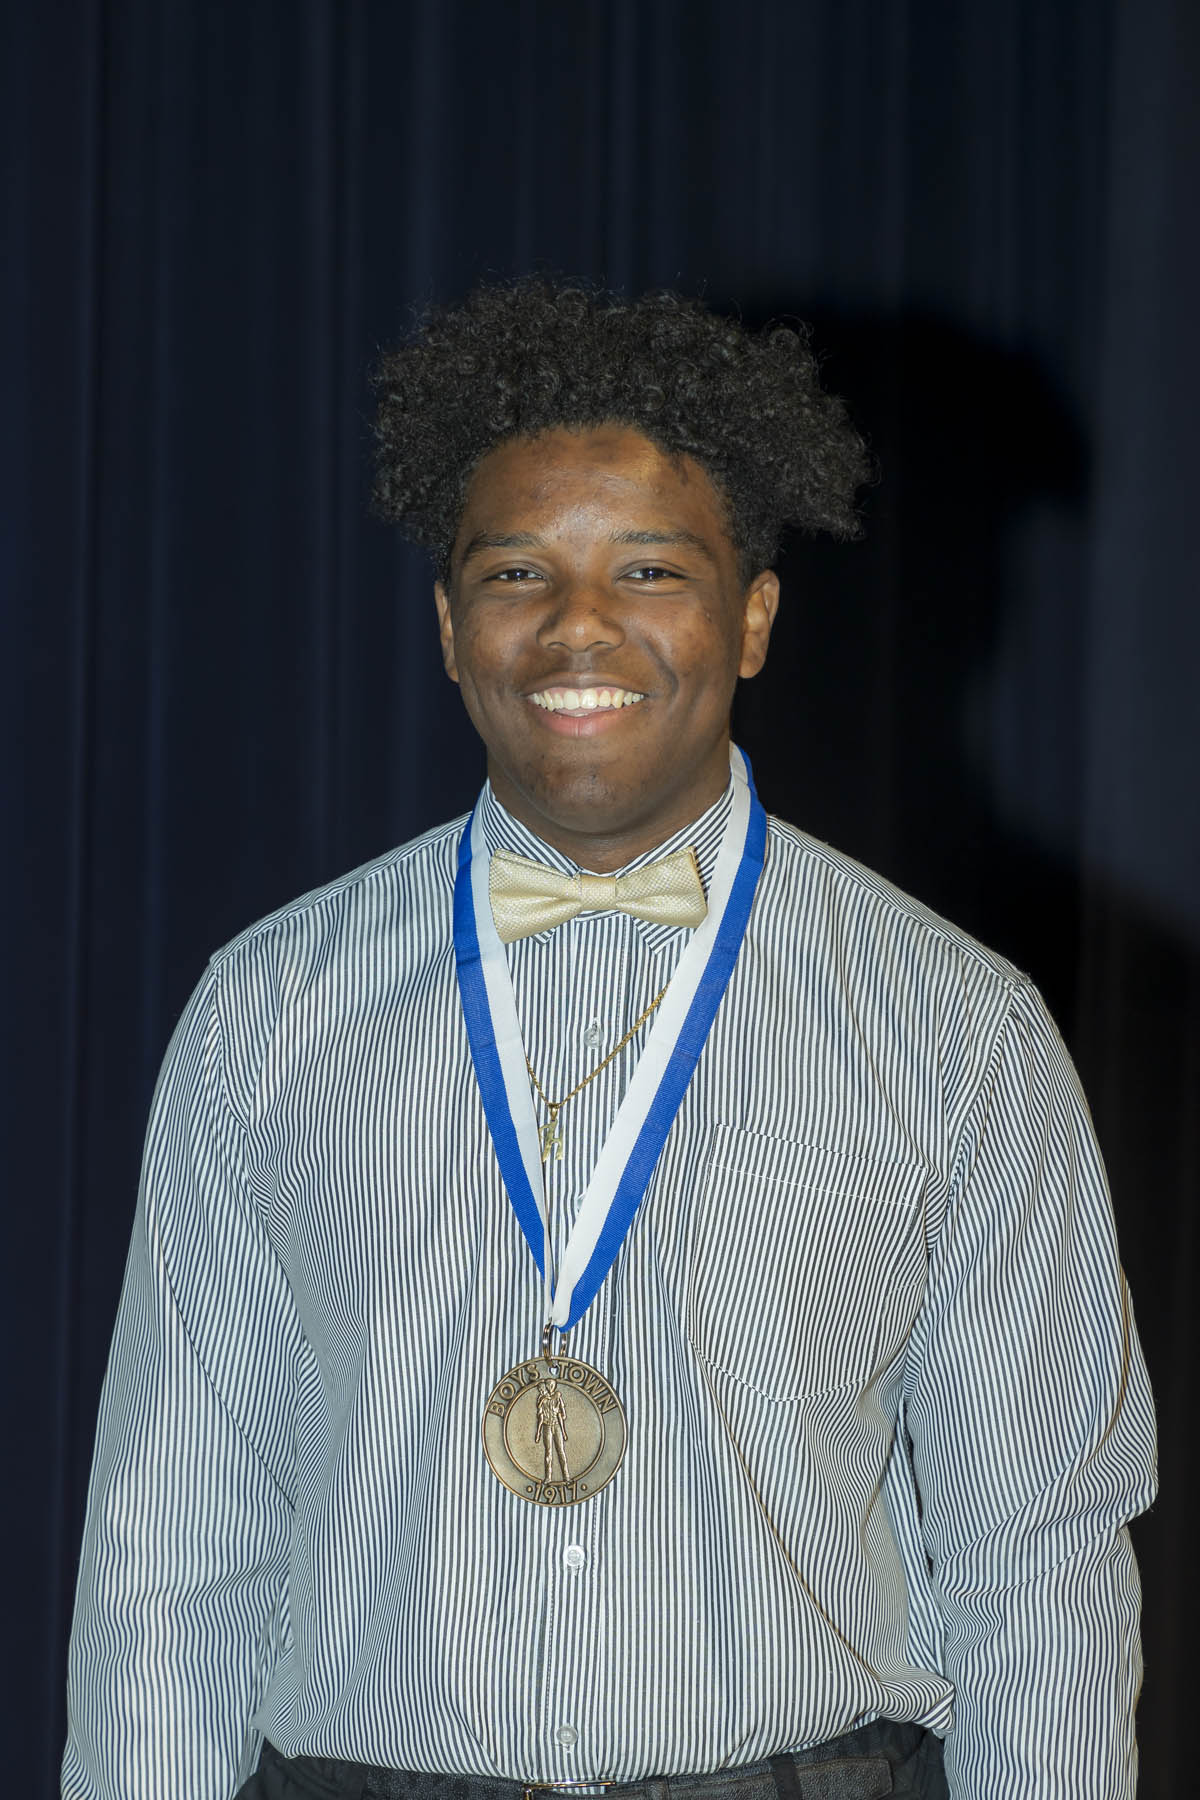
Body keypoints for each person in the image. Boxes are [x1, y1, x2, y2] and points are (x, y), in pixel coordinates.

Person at [63, 279, 1156, 1800]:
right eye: (518, 572)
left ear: (753, 617)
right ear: (450, 629)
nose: (579, 624)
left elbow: (1037, 1563)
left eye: (650, 568)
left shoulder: (955, 1027)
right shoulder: (268, 1011)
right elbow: (174, 1549)